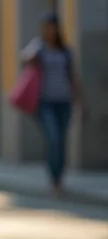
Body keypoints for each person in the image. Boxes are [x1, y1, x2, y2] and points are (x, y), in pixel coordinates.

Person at [21, 11, 83, 195]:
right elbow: (23, 59)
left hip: (64, 101)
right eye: (46, 27)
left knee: (61, 141)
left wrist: (81, 101)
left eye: (52, 27)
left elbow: (72, 77)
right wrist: (33, 54)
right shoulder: (39, 48)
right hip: (45, 102)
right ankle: (53, 178)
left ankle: (59, 178)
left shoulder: (66, 51)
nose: (50, 31)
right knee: (53, 139)